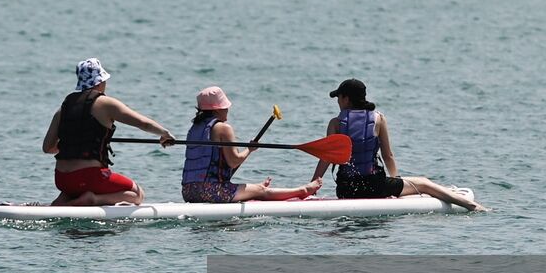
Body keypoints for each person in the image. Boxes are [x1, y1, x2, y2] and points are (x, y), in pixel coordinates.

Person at [310, 79, 485, 212]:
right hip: (376, 187)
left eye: (338, 97)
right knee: (423, 183)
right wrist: (395, 183)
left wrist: (311, 187)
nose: (338, 101)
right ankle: (472, 206)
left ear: (346, 99)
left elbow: (326, 158)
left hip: (347, 190)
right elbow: (388, 156)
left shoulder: (335, 123)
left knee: (417, 185)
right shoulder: (378, 119)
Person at [42, 58, 174, 206]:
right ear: (99, 82)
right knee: (137, 195)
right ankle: (93, 199)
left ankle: (63, 202)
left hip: (62, 180)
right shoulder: (106, 104)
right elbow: (143, 123)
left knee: (73, 190)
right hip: (89, 178)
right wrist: (164, 133)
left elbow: (48, 148)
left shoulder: (63, 108)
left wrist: (75, 143)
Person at [181, 87, 322, 203]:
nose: (227, 109)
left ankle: (253, 189)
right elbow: (233, 161)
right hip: (212, 192)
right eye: (225, 106)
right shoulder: (223, 128)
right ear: (217, 109)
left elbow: (218, 166)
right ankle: (303, 190)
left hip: (188, 192)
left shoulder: (194, 129)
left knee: (255, 188)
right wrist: (249, 150)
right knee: (262, 192)